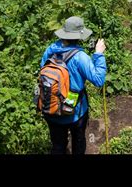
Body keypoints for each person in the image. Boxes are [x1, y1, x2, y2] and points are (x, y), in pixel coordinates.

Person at [40, 16, 106, 154]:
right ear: (79, 36)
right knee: (78, 143)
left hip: (51, 108)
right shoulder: (80, 57)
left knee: (58, 146)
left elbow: (43, 73)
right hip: (75, 111)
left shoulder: (50, 50)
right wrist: (99, 54)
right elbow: (98, 80)